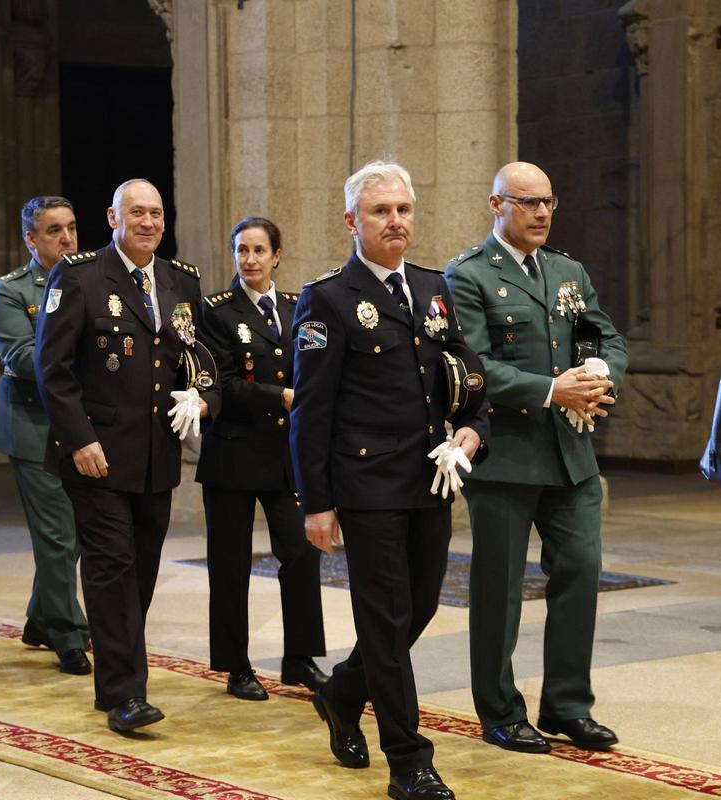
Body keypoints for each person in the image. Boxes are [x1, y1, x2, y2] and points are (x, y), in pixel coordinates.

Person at [292, 161, 489, 800]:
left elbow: (468, 377)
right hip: (366, 483)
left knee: (422, 606)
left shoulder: (434, 288)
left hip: (429, 480)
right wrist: (317, 504)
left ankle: (343, 692)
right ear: (353, 221)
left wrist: (472, 431)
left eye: (403, 209)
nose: (395, 221)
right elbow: (311, 413)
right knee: (386, 621)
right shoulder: (327, 298)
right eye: (381, 212)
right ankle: (410, 762)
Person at [443, 161, 627, 753]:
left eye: (548, 201)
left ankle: (568, 705)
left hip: (570, 453)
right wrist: (552, 389)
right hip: (507, 455)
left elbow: (603, 335)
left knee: (581, 569)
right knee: (499, 590)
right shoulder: (468, 275)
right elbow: (473, 365)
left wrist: (598, 374)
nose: (542, 212)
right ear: (496, 205)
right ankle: (499, 711)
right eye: (527, 203)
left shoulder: (568, 270)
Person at [35, 179, 221, 732]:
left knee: (140, 571)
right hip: (97, 454)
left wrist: (204, 398)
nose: (148, 222)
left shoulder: (180, 281)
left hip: (156, 456)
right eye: (136, 212)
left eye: (157, 213)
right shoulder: (79, 275)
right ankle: (125, 695)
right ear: (113, 216)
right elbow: (54, 369)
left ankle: (113, 677)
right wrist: (79, 439)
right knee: (112, 568)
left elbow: (206, 358)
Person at [196, 216, 327, 701]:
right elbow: (223, 384)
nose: (249, 260)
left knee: (300, 553)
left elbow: (315, 366)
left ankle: (301, 659)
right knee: (229, 564)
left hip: (285, 456)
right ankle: (236, 666)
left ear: (277, 256)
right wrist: (284, 397)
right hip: (232, 452)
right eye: (241, 250)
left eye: (258, 251)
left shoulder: (299, 307)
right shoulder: (215, 311)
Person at [0, 196, 92, 676]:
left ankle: (40, 619)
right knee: (57, 533)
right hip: (34, 427)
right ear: (31, 239)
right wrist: (87, 362)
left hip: (80, 425)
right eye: (54, 230)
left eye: (71, 228)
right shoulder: (10, 291)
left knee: (70, 535)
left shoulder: (91, 280)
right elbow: (22, 359)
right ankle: (68, 634)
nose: (67, 238)